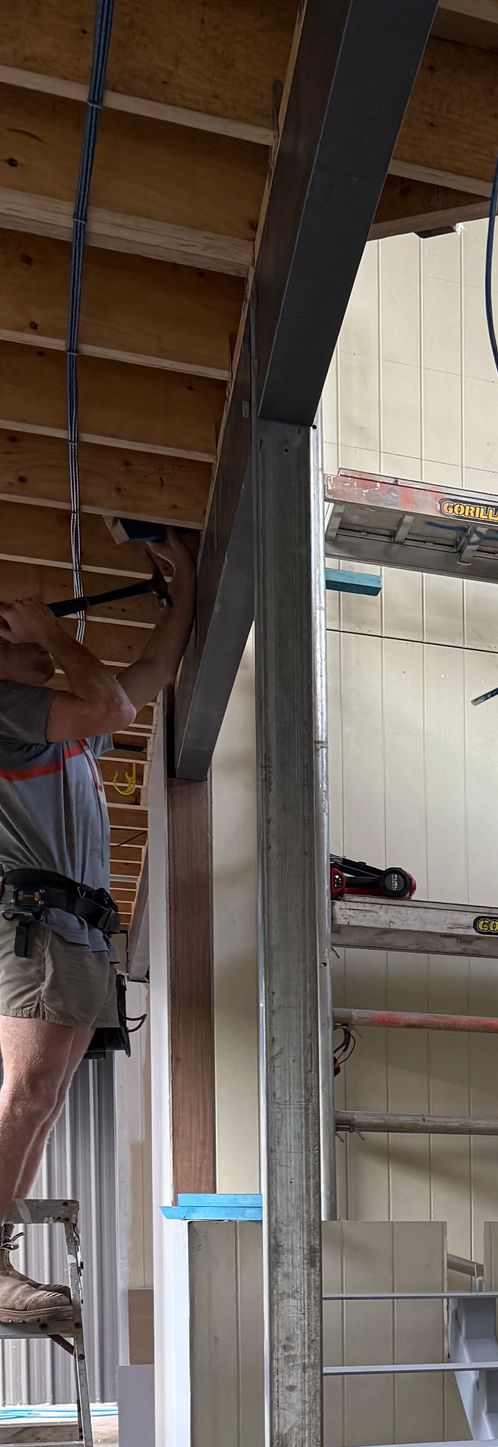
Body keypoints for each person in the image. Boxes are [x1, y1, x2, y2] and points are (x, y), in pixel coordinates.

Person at [0, 537, 195, 1325]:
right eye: (15, 639)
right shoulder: (5, 709)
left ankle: (2, 1249)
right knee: (27, 1092)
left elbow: (146, 680)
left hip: (74, 931)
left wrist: (178, 601)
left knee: (41, 1101)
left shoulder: (66, 730)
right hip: (36, 925)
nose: (40, 654)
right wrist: (50, 634)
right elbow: (113, 700)